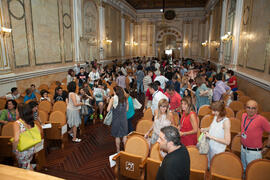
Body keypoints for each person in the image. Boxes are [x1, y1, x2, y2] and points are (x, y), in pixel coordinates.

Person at [240, 100, 270, 171]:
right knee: (244, 169)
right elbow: (246, 128)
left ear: (257, 109)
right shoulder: (243, 115)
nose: (250, 110)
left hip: (254, 152)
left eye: (253, 108)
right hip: (243, 148)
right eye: (248, 107)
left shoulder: (261, 120)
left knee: (252, 172)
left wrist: (268, 146)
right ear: (245, 108)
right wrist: (241, 133)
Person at [201, 101, 231, 167]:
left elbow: (227, 141)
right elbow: (212, 127)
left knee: (215, 166)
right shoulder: (215, 117)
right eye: (212, 110)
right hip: (210, 146)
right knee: (208, 165)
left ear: (221, 111)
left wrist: (211, 137)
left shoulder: (226, 121)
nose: (212, 113)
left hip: (218, 150)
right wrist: (205, 129)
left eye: (215, 111)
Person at [13, 103, 41, 169]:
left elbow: (16, 139)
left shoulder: (17, 123)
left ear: (20, 112)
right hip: (31, 147)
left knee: (24, 168)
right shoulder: (30, 121)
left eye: (16, 110)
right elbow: (39, 131)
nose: (15, 111)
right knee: (27, 164)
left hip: (23, 149)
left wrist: (14, 150)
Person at [107, 86, 129, 152]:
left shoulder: (113, 99)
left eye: (113, 91)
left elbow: (108, 109)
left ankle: (118, 150)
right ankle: (126, 150)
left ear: (115, 92)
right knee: (125, 135)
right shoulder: (125, 98)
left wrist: (112, 107)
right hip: (124, 119)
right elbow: (127, 108)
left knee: (117, 136)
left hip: (116, 119)